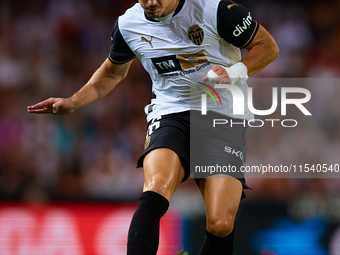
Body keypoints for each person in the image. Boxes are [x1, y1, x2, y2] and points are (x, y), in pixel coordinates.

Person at [28, 0, 279, 254]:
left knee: (220, 223)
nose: (150, 2)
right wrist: (73, 101)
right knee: (156, 186)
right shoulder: (128, 24)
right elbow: (113, 72)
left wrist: (234, 71)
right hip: (171, 112)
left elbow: (267, 46)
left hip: (222, 116)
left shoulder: (215, 10)